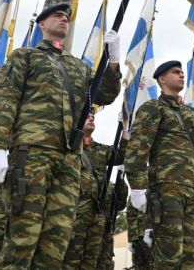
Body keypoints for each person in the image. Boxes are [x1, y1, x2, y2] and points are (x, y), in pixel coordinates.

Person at [0, 3, 122, 268]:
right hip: (32, 154)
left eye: (67, 17)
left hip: (69, 161)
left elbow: (104, 94)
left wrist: (113, 61)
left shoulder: (78, 67)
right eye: (57, 15)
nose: (64, 19)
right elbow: (5, 100)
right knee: (23, 239)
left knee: (55, 245)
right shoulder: (26, 57)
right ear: (42, 24)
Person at [125, 60, 194, 269]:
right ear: (162, 79)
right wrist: (136, 187)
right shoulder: (153, 108)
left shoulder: (192, 114)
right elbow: (138, 148)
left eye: (182, 72)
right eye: (175, 72)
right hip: (167, 190)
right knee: (169, 256)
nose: (182, 75)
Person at [62, 110, 128, 269]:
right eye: (87, 115)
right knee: (70, 259)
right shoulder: (68, 146)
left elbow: (121, 156)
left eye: (93, 115)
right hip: (73, 213)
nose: (91, 117)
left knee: (90, 262)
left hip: (97, 215)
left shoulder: (101, 150)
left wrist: (125, 129)